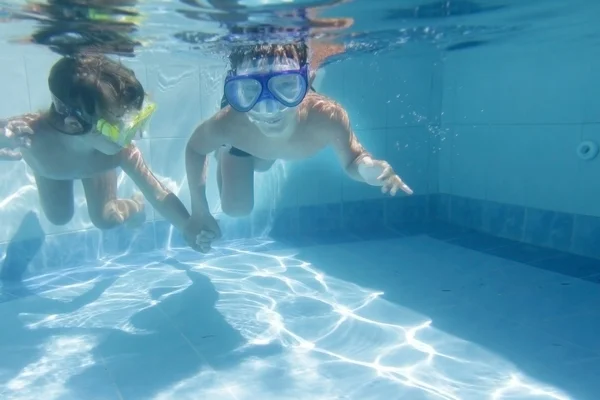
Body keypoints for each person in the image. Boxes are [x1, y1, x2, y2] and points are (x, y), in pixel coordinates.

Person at [185, 41, 413, 253]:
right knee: (236, 209)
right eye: (250, 88)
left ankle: (253, 150)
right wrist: (200, 210)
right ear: (236, 89)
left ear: (308, 81)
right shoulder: (231, 123)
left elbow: (354, 159)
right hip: (245, 139)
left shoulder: (328, 116)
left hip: (262, 145)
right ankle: (225, 151)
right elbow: (195, 149)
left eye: (285, 85)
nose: (269, 107)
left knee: (263, 166)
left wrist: (370, 168)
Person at [0, 53, 202, 250]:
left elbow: (157, 193)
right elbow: (4, 133)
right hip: (51, 170)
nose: (134, 136)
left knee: (106, 219)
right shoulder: (31, 134)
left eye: (137, 121)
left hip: (94, 168)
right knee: (59, 217)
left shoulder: (118, 151)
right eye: (120, 129)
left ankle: (136, 204)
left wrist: (186, 225)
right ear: (74, 125)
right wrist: (4, 141)